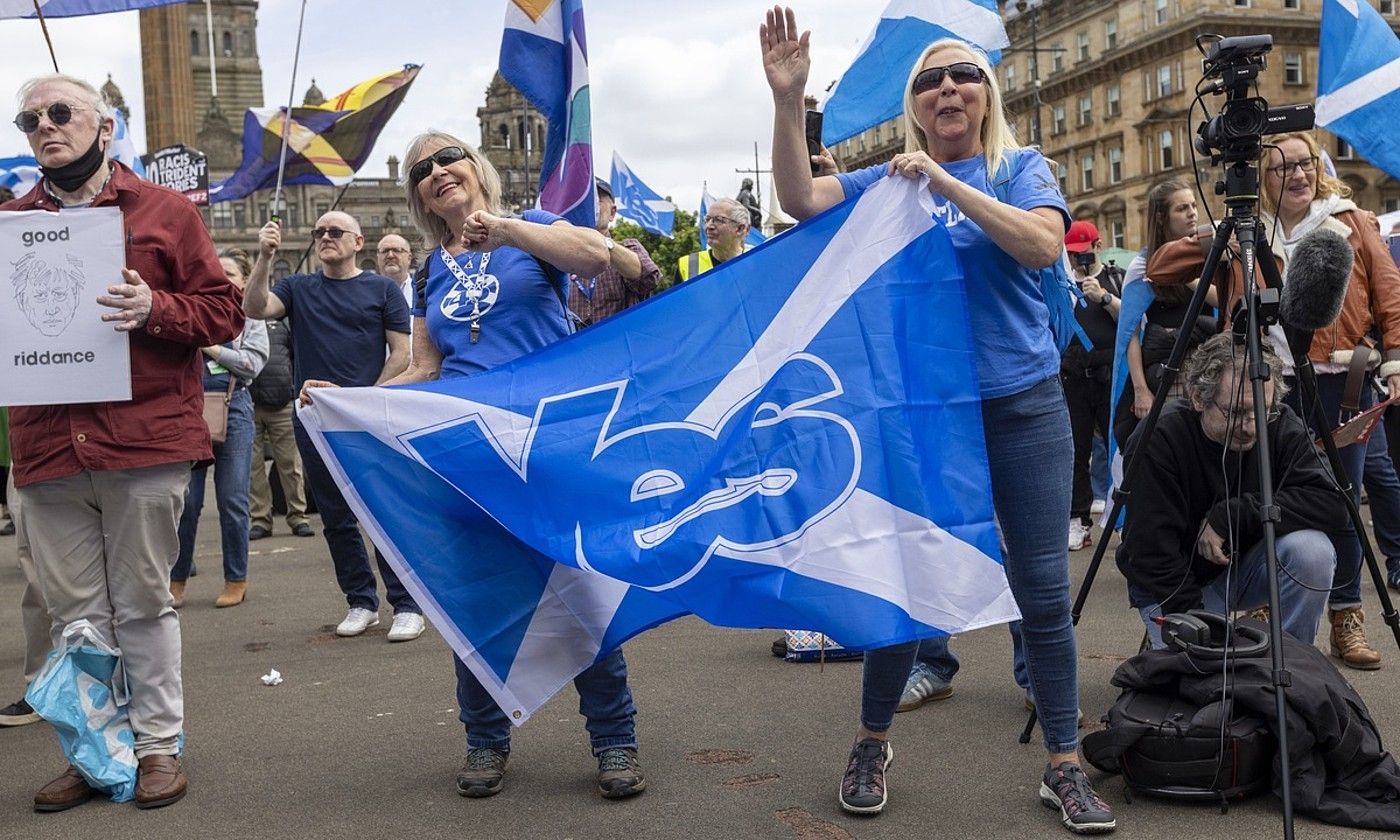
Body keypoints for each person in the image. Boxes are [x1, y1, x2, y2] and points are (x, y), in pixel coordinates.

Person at [761, 8, 1113, 831]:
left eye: (962, 77)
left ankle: (1063, 763)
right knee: (905, 582)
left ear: (985, 96)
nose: (946, 87)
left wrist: (947, 182)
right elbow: (798, 199)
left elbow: (1038, 246)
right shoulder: (885, 184)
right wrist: (787, 101)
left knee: (1042, 593)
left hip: (1024, 408)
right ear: (914, 104)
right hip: (925, 416)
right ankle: (872, 743)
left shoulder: (1021, 167)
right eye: (929, 80)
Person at [306, 133, 646, 801]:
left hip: (545, 444)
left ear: (475, 167)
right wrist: (348, 402)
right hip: (466, 455)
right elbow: (424, 368)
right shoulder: (430, 271)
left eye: (446, 157)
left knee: (577, 595)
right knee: (474, 599)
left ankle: (614, 738)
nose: (436, 172)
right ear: (418, 197)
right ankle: (485, 738)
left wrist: (511, 230)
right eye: (420, 171)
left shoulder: (536, 228)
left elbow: (602, 258)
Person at [4, 73, 244, 810]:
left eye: (59, 112)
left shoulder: (166, 212)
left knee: (142, 605)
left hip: (141, 445)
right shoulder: (9, 225)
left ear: (104, 128)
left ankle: (156, 748)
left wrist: (155, 307)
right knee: (76, 616)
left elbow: (224, 312)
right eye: (28, 119)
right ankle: (95, 753)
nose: (44, 126)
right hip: (47, 451)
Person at [1149, 131, 1400, 669]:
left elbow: (1388, 289)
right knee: (1260, 479)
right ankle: (1260, 603)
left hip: (1335, 379)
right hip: (1258, 380)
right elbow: (1159, 269)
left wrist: (1395, 357)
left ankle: (1346, 614)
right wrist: (1211, 244)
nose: (1298, 176)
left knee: (1341, 495)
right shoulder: (1246, 232)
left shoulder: (1349, 221)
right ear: (1262, 180)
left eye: (1305, 164)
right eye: (1282, 167)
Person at [243, 211, 425, 642]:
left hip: (367, 418)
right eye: (318, 232)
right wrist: (265, 257)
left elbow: (402, 352)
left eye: (335, 232)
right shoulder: (299, 286)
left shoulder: (381, 289)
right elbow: (254, 307)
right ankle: (360, 601)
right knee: (337, 518)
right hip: (314, 418)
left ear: (359, 241)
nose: (325, 237)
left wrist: (365, 399)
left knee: (383, 512)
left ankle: (407, 604)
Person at [1118, 334, 1341, 646]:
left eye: (1260, 412)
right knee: (1203, 683)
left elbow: (1334, 502)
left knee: (1312, 552)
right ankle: (1170, 638)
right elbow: (1149, 549)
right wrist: (1196, 628)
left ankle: (1293, 658)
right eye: (1235, 412)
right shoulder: (1159, 437)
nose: (1250, 426)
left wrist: (1235, 514)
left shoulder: (1278, 422)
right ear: (1198, 398)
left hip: (1243, 566)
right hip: (1171, 580)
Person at [169, 248, 268, 609]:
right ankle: (175, 580)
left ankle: (235, 579)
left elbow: (253, 364)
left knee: (232, 500)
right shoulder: (194, 308)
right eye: (218, 271)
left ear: (244, 281)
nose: (223, 278)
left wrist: (212, 349)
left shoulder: (249, 315)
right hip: (190, 411)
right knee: (186, 502)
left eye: (231, 273)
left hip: (235, 407)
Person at [1112, 179, 1212, 451]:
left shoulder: (1209, 256)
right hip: (1169, 371)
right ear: (1161, 217)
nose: (1192, 212)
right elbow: (1129, 334)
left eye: (1193, 205)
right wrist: (1141, 389)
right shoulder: (1142, 266)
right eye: (1181, 208)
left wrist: (1185, 269)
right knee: (1174, 445)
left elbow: (1222, 301)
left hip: (1208, 366)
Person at [1062, 220, 1121, 551]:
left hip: (1109, 374)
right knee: (1077, 451)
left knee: (1118, 448)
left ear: (1098, 247)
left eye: (1083, 254)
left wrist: (1104, 298)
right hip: (1074, 376)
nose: (1078, 261)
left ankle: (1124, 519)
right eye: (1072, 255)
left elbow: (1131, 321)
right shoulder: (1063, 281)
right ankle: (1078, 519)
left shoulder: (1113, 278)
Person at [247, 311, 314, 541]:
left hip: (282, 403)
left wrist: (293, 392)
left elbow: (296, 357)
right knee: (253, 468)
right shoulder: (239, 317)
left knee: (290, 464)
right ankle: (260, 520)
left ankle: (298, 517)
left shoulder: (283, 319)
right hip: (249, 403)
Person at [567, 177, 661, 327]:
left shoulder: (629, 248)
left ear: (612, 213)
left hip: (619, 347)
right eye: (583, 200)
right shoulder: (560, 257)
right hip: (571, 348)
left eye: (596, 200)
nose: (590, 206)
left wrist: (600, 242)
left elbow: (649, 279)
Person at [677, 198, 751, 281]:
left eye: (719, 220)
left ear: (740, 229)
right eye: (707, 219)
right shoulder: (688, 265)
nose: (709, 226)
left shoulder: (756, 263)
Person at [376, 233, 415, 311]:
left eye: (397, 250)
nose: (390, 255)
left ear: (409, 258)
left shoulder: (423, 292)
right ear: (377, 257)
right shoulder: (364, 293)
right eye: (384, 251)